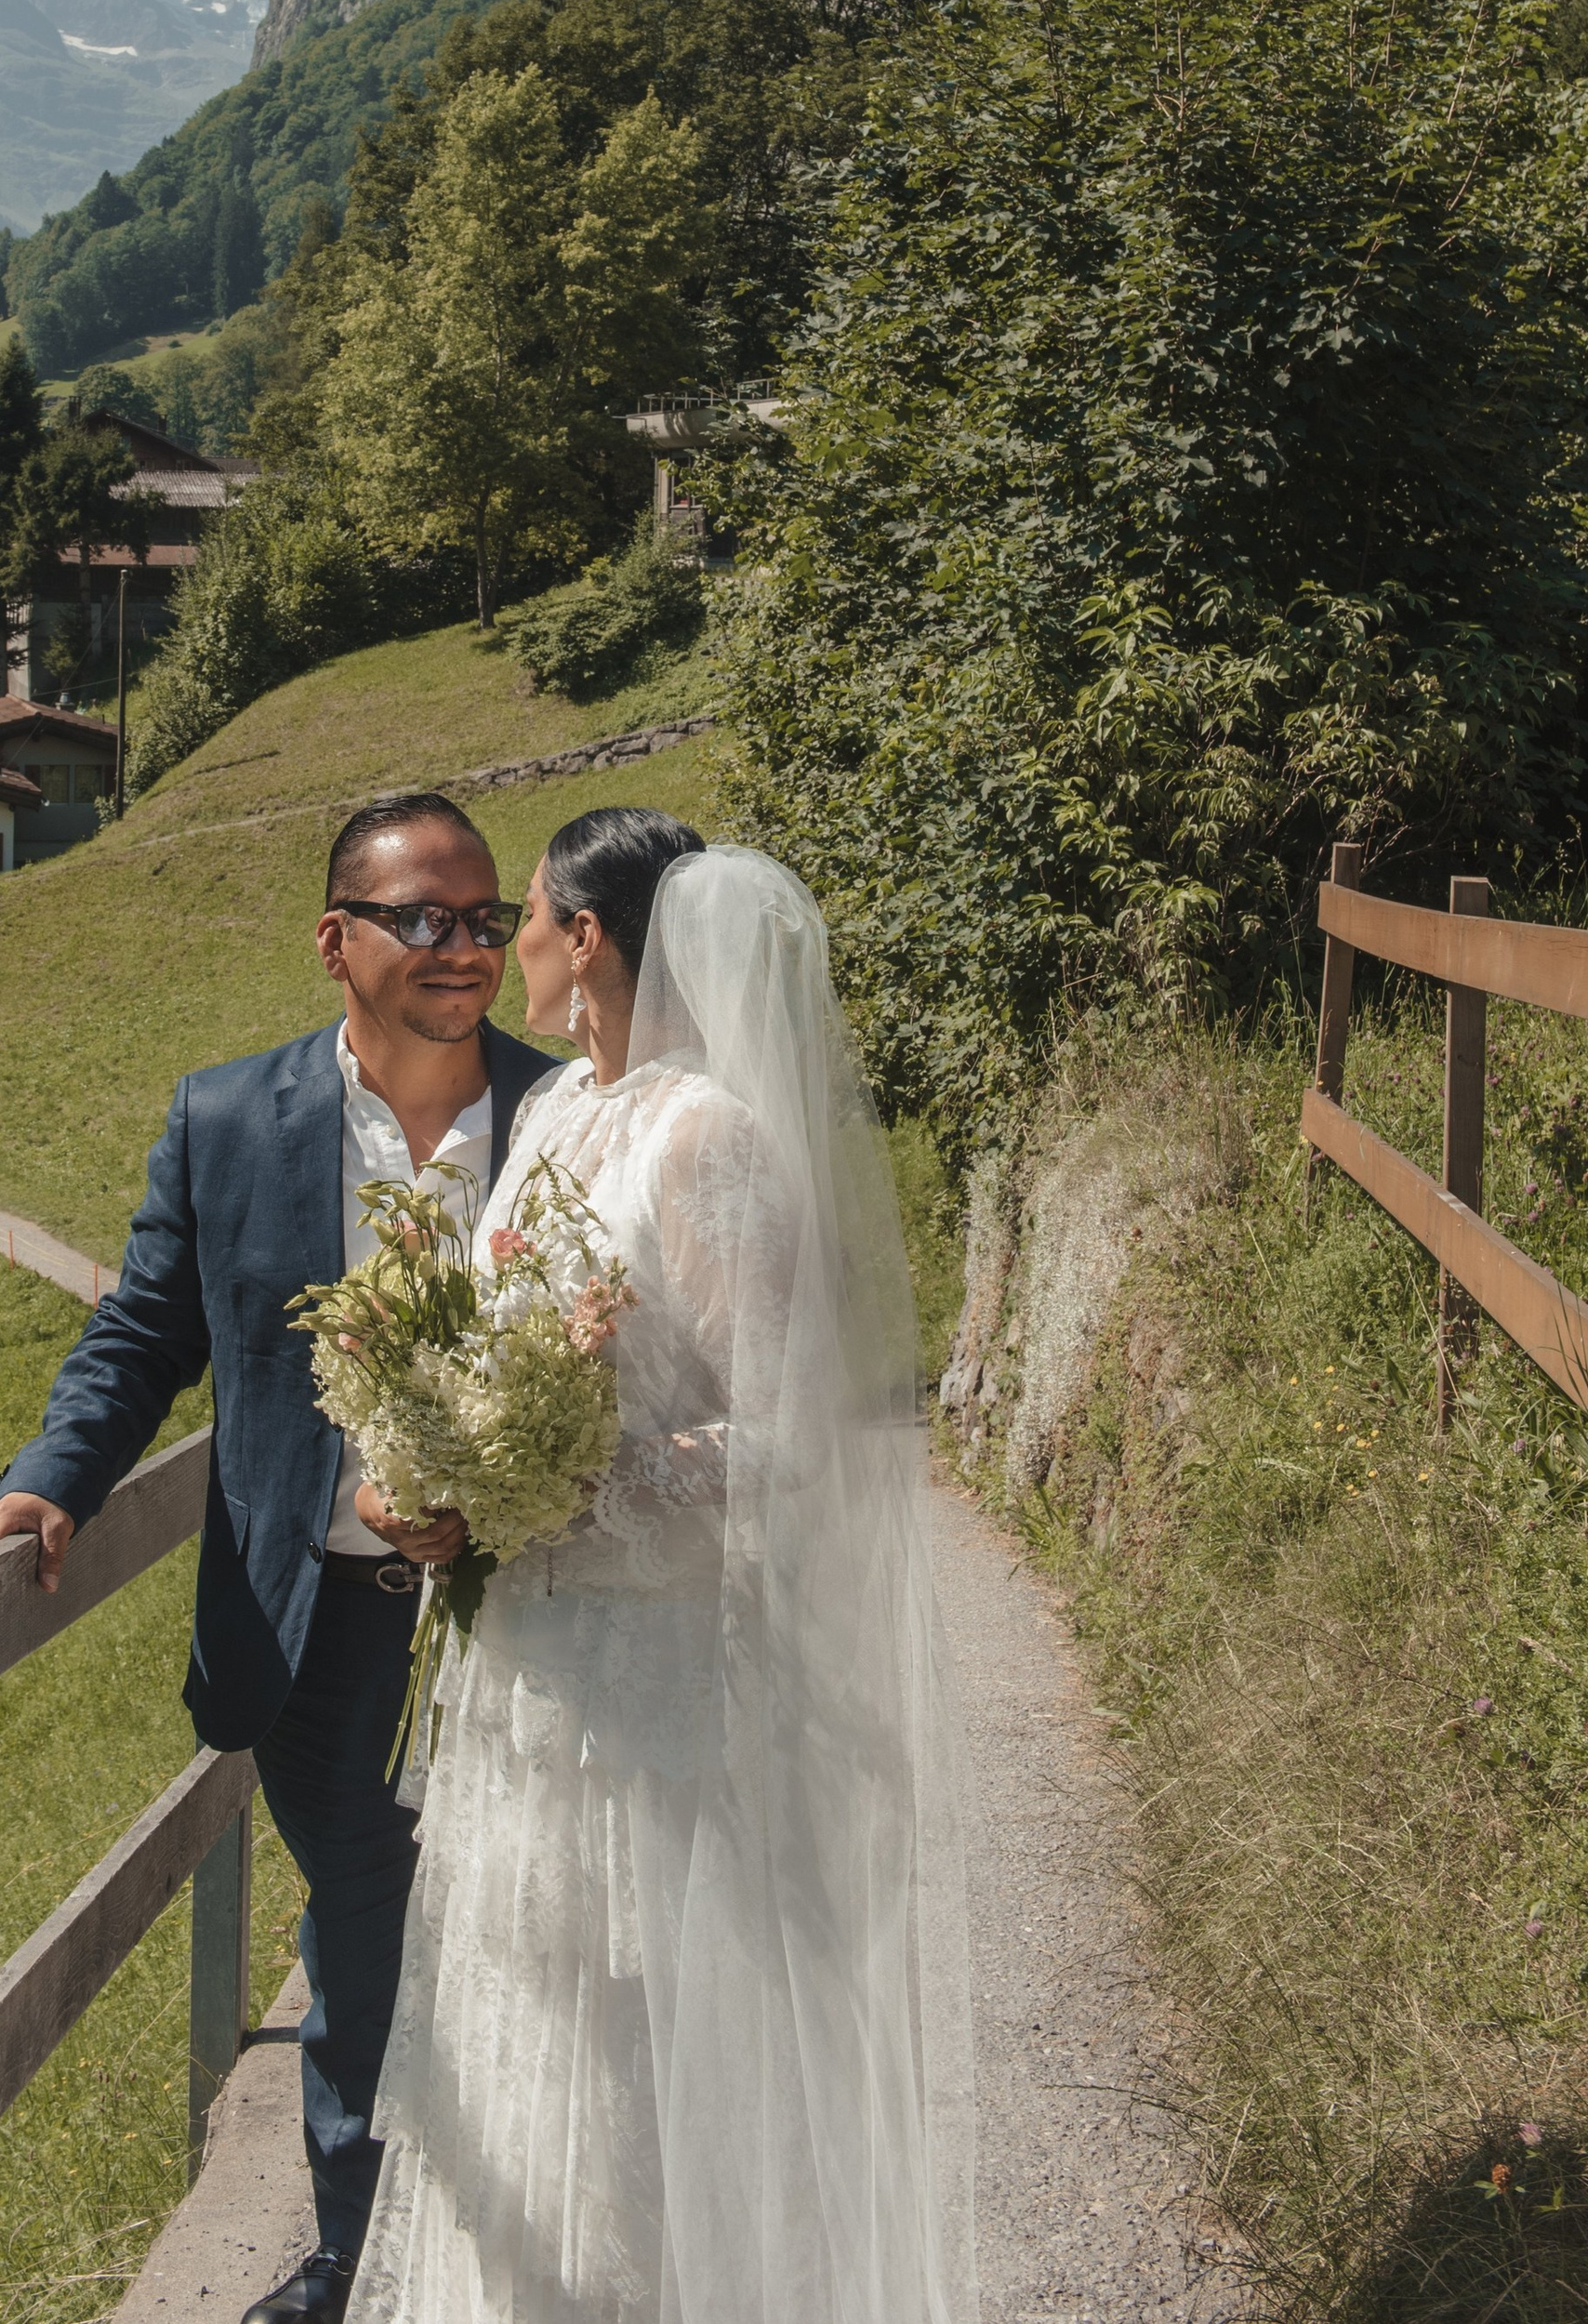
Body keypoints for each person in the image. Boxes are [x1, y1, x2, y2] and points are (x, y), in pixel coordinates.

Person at [349, 808, 963, 2324]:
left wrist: (571, 1479)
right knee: (512, 2050)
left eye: (532, 918)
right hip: (528, 1683)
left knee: (631, 2074)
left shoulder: (708, 1137)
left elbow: (785, 1435)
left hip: (655, 1697)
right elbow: (505, 1348)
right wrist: (435, 1471)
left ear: (592, 938)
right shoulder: (557, 1112)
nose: (508, 947)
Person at [0, 791, 556, 2324]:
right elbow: (141, 1335)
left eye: (485, 918)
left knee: (516, 1939)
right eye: (425, 917)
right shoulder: (226, 1119)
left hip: (526, 1628)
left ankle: (505, 2253)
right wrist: (53, 1480)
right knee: (370, 1933)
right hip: (316, 1633)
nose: (464, 947)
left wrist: (495, 1505)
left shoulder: (566, 1118)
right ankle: (363, 2267)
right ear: (335, 938)